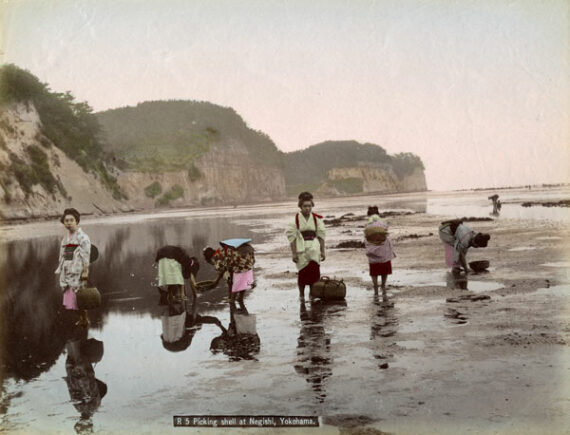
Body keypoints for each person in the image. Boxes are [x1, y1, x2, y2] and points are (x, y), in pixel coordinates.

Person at [285, 192, 326, 301]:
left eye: (309, 206)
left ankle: (312, 294)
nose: (307, 208)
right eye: (305, 206)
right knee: (302, 274)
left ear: (312, 206)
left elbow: (321, 236)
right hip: (301, 249)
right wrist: (293, 253)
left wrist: (323, 251)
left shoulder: (317, 220)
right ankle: (301, 295)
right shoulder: (295, 220)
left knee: (314, 274)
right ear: (300, 206)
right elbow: (292, 238)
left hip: (314, 248)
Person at [55, 208, 91, 327]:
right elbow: (64, 255)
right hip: (68, 271)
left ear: (77, 221)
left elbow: (86, 256)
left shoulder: (82, 237)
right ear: (63, 223)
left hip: (78, 271)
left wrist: (85, 271)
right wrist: (62, 268)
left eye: (71, 220)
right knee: (71, 299)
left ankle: (84, 319)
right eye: (66, 221)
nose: (69, 223)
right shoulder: (66, 238)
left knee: (79, 297)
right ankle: (81, 318)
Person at [203, 239, 255, 304]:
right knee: (243, 281)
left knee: (237, 282)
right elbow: (229, 269)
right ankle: (239, 298)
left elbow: (223, 271)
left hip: (241, 262)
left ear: (209, 258)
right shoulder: (223, 252)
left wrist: (216, 281)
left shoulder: (216, 258)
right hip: (248, 259)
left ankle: (232, 300)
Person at [363, 206, 396, 293]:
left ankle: (375, 287)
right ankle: (383, 285)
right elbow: (386, 230)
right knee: (384, 266)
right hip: (383, 247)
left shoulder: (368, 225)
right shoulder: (382, 223)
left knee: (374, 268)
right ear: (378, 213)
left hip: (372, 246)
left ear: (368, 214)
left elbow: (366, 234)